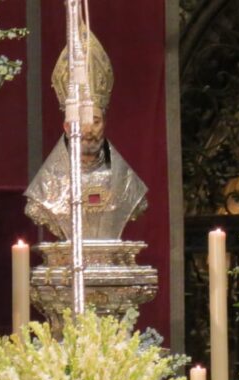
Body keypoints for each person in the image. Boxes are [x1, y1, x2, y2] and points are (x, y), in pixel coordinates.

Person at [24, 31, 147, 242]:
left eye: (95, 121)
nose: (89, 130)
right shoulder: (46, 186)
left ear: (105, 124)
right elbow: (36, 210)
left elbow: (139, 205)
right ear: (66, 126)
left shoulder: (126, 182)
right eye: (81, 122)